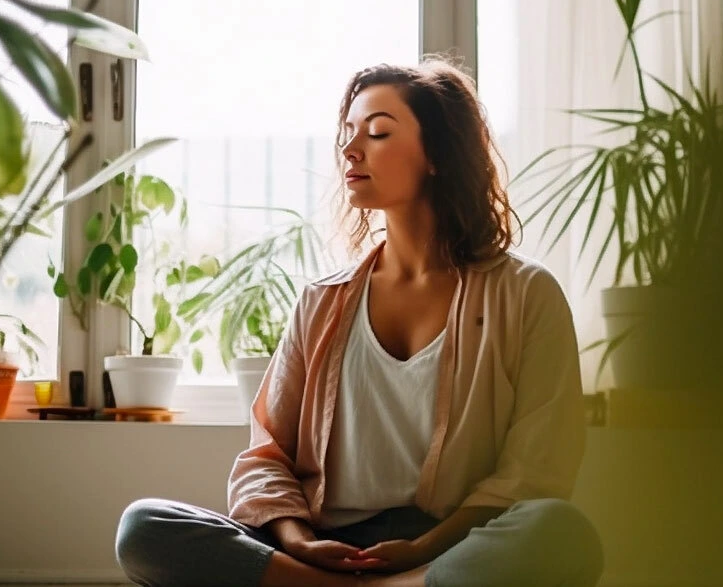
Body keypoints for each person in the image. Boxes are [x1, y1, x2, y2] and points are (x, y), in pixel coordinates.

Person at [115, 58, 604, 587]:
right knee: (144, 528)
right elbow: (267, 452)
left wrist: (423, 548)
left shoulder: (526, 295)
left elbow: (535, 470)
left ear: (438, 153)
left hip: (449, 549)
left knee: (559, 530)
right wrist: (301, 543)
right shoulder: (323, 301)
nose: (351, 150)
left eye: (377, 132)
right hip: (323, 548)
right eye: (349, 134)